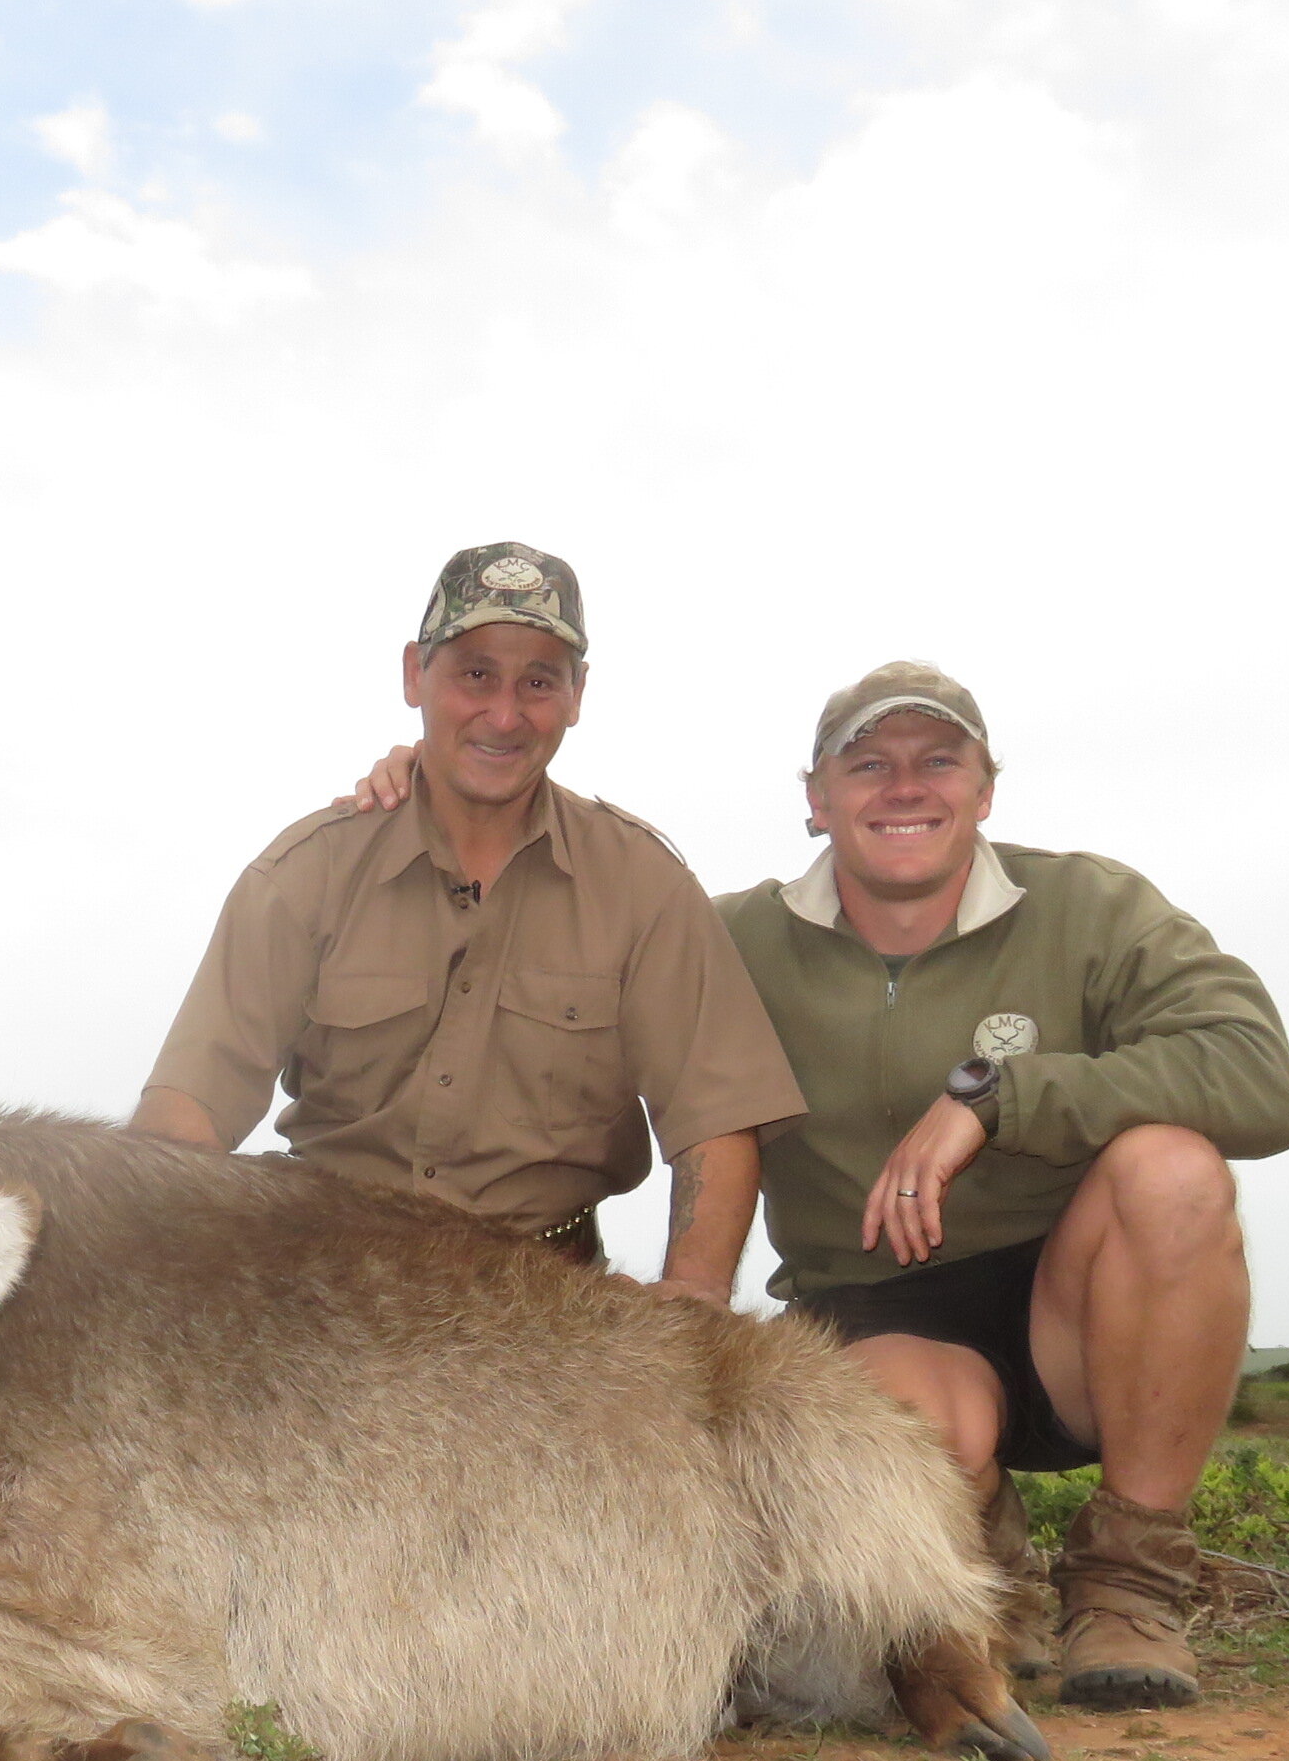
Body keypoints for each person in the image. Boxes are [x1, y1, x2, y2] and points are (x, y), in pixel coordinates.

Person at [343, 660, 1289, 1711]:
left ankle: (1130, 1583)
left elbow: (1262, 1080)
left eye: (938, 761)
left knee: (1172, 1173)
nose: (905, 788)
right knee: (923, 1430)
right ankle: (985, 1570)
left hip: (1075, 1308)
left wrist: (996, 1098)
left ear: (984, 790)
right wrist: (442, 796)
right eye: (868, 765)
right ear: (816, 798)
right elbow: (547, 946)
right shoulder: (729, 937)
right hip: (880, 1307)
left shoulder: (1092, 906)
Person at [132, 544, 805, 1301]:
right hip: (321, 1291)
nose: (505, 714)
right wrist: (175, 1266)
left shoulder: (645, 887)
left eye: (539, 682)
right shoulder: (306, 874)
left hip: (546, 1306)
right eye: (475, 674)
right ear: (415, 674)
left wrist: (695, 1292)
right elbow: (185, 1108)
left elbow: (715, 1119)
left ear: (578, 695)